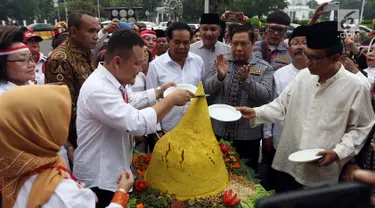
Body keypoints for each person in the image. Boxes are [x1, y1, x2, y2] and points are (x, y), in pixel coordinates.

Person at [236, 21, 375, 193]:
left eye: (314, 58)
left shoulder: (355, 87)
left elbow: (361, 127)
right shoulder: (303, 77)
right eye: (306, 55)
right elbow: (281, 106)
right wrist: (256, 112)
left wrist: (338, 152)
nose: (307, 62)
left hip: (321, 169)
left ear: (335, 58)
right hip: (290, 162)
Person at [73, 29, 193, 207]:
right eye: (136, 63)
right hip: (100, 178)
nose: (140, 69)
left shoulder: (114, 81)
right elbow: (137, 123)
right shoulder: (99, 89)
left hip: (114, 170)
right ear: (117, 61)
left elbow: (131, 101)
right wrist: (170, 101)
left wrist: (159, 91)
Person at [0, 85, 134, 208]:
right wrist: (122, 191)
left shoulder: (10, 169)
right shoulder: (57, 192)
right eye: (56, 119)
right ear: (40, 130)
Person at [204, 24, 273, 171]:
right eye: (235, 44)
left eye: (244, 44)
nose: (239, 48)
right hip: (218, 133)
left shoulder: (263, 67)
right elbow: (207, 90)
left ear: (253, 43)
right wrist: (220, 77)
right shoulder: (220, 62)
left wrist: (246, 82)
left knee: (246, 178)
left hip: (248, 137)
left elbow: (266, 97)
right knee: (215, 174)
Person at [44, 10, 101, 162]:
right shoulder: (60, 59)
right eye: (91, 31)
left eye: (98, 31)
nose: (96, 36)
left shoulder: (87, 52)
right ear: (74, 32)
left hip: (92, 134)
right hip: (77, 141)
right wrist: (70, 145)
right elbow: (62, 107)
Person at [261, 25, 308, 190]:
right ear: (289, 50)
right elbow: (271, 104)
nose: (300, 47)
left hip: (309, 142)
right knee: (281, 184)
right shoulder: (279, 75)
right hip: (280, 139)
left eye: (305, 43)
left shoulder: (319, 74)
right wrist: (267, 134)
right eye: (295, 43)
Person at [146, 22, 205, 133]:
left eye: (186, 43)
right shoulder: (155, 65)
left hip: (194, 127)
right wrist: (157, 131)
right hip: (168, 129)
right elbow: (152, 101)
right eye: (177, 42)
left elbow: (200, 90)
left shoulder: (198, 61)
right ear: (168, 41)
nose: (181, 47)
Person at [190, 13, 231, 79]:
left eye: (213, 29)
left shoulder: (229, 51)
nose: (209, 33)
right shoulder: (190, 50)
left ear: (219, 31)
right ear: (200, 30)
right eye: (205, 29)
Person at [0, 26, 35, 95]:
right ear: (2, 64)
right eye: (23, 60)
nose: (32, 64)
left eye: (31, 58)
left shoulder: (35, 88)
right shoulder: (3, 97)